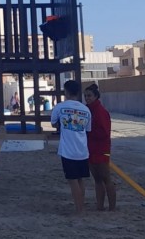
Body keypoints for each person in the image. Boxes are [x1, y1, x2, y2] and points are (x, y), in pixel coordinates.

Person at [51, 80, 92, 213]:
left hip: (68, 151)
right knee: (80, 180)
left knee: (72, 181)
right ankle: (81, 206)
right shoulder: (86, 109)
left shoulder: (60, 107)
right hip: (82, 150)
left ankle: (79, 209)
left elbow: (53, 123)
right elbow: (87, 129)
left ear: (66, 92)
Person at [84, 83, 116, 211]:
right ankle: (100, 206)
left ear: (96, 96)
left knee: (105, 177)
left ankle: (112, 207)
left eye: (89, 96)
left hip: (101, 149)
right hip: (90, 149)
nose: (87, 98)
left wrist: (87, 132)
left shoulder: (101, 111)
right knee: (97, 179)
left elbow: (104, 132)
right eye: (85, 96)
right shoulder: (87, 110)